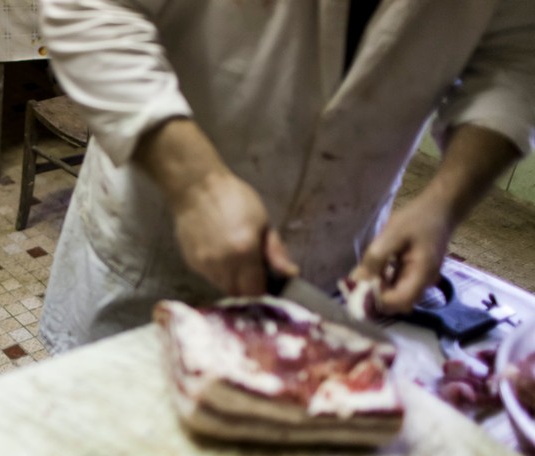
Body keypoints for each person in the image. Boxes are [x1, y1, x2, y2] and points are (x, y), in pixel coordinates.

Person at [36, 0, 535, 355]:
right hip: (152, 256)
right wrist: (196, 183)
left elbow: (516, 57)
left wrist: (442, 206)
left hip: (334, 262)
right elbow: (89, 10)